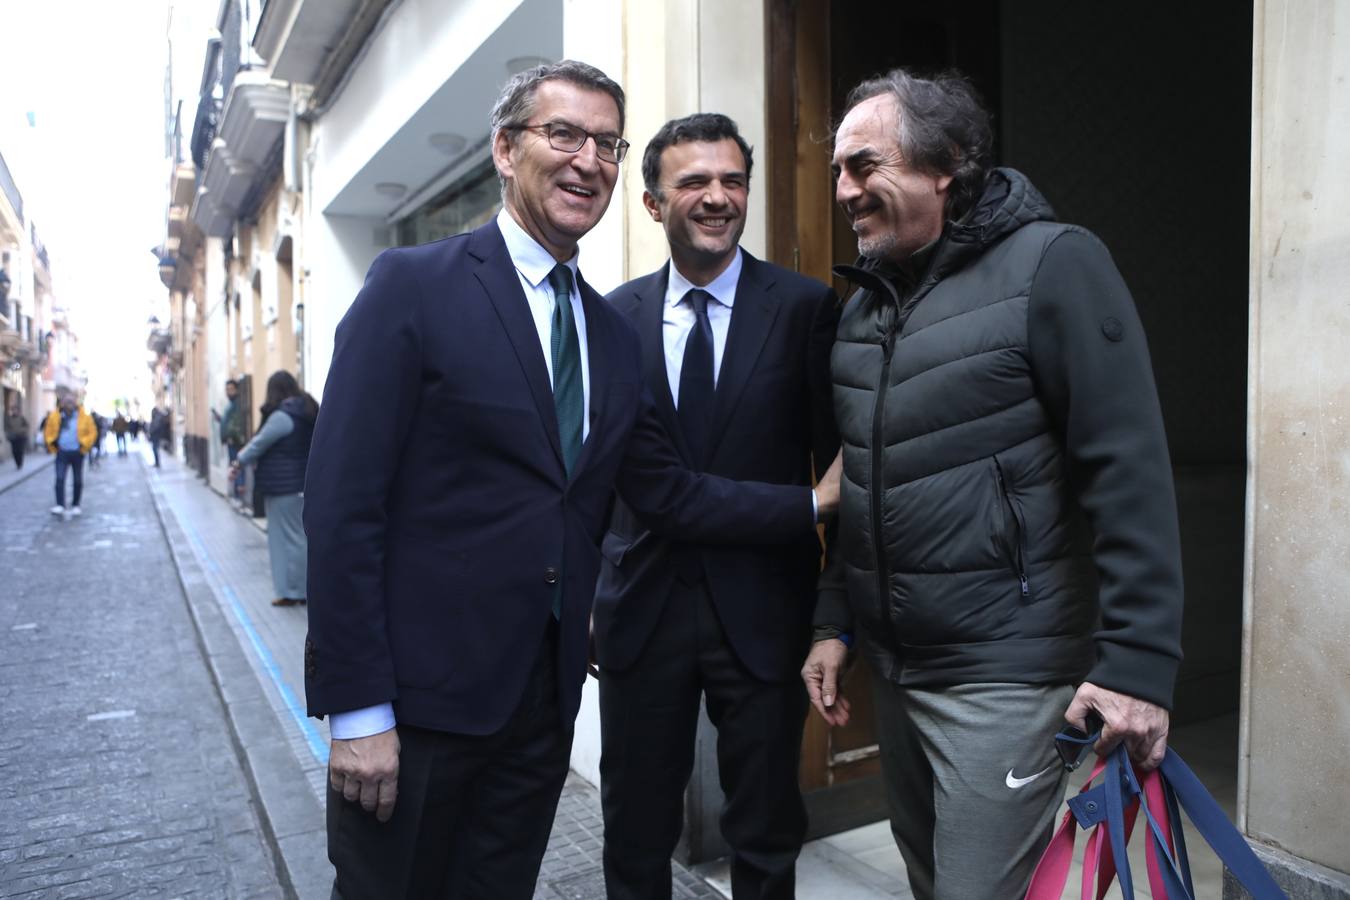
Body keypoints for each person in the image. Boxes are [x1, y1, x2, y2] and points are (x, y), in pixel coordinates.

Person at [303, 60, 841, 900]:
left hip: (539, 714)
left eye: (607, 143)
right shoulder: (413, 287)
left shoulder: (608, 334)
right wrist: (359, 708)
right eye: (564, 134)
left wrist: (814, 503)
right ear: (504, 149)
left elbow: (664, 491)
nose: (589, 160)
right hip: (417, 713)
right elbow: (342, 507)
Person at [800, 68, 1184, 900]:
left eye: (864, 166)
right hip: (896, 672)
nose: (844, 190)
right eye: (837, 171)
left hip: (1005, 674)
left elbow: (1128, 469)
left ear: (945, 165)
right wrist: (835, 622)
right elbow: (865, 485)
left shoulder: (1055, 263)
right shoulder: (863, 308)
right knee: (932, 884)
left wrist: (1138, 668)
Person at [593, 113, 839, 900]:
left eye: (733, 181)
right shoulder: (611, 319)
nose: (717, 197)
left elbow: (844, 479)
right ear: (652, 202)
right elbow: (594, 482)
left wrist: (833, 623)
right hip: (641, 613)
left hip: (764, 617)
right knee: (635, 833)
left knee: (766, 834)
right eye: (694, 181)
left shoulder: (804, 309)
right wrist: (591, 597)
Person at [230, 371, 317, 608]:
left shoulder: (282, 416)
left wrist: (238, 462)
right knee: (299, 538)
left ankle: (290, 592)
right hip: (302, 483)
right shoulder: (307, 409)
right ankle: (303, 589)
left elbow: (258, 444)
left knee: (282, 540)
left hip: (283, 487)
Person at [42, 393, 97, 516]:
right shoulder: (55, 416)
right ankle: (60, 505)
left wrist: (84, 444)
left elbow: (92, 432)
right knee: (60, 478)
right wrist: (52, 442)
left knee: (77, 480)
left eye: (72, 401)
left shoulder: (84, 416)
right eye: (67, 402)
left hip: (78, 452)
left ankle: (76, 505)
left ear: (75, 403)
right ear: (62, 403)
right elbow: (48, 431)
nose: (69, 404)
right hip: (62, 452)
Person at [219, 379, 247, 503]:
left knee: (237, 465)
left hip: (236, 442)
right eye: (227, 390)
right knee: (233, 466)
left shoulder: (237, 404)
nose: (229, 392)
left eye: (231, 389)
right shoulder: (230, 405)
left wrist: (232, 436)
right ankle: (236, 495)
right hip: (230, 441)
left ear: (237, 390)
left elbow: (237, 423)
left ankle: (240, 496)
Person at [4, 401, 29, 469]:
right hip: (14, 437)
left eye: (15, 410)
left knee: (20, 451)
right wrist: (9, 433)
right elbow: (7, 427)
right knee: (14, 451)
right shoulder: (9, 419)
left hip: (21, 437)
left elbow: (27, 426)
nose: (14, 411)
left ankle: (20, 463)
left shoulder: (21, 418)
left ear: (18, 410)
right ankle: (17, 463)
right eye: (13, 410)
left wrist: (22, 430)